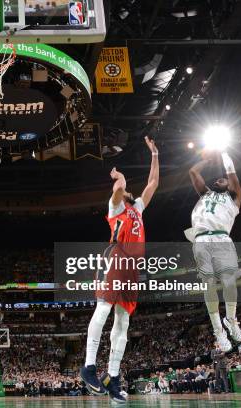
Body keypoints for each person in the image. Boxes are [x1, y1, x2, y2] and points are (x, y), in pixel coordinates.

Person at [80, 136, 159, 403]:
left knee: (123, 322)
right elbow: (118, 189)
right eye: (123, 188)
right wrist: (119, 177)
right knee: (102, 309)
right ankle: (88, 366)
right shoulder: (116, 207)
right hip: (115, 257)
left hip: (132, 268)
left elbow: (153, 184)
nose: (126, 189)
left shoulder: (136, 208)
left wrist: (155, 155)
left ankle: (113, 378)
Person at [187, 151, 241, 351]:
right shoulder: (205, 193)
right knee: (208, 284)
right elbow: (193, 171)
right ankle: (218, 330)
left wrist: (223, 151)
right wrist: (206, 159)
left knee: (229, 281)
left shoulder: (234, 198)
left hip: (222, 238)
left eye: (224, 180)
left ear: (229, 186)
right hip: (201, 238)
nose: (220, 180)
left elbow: (232, 173)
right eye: (217, 179)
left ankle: (231, 319)